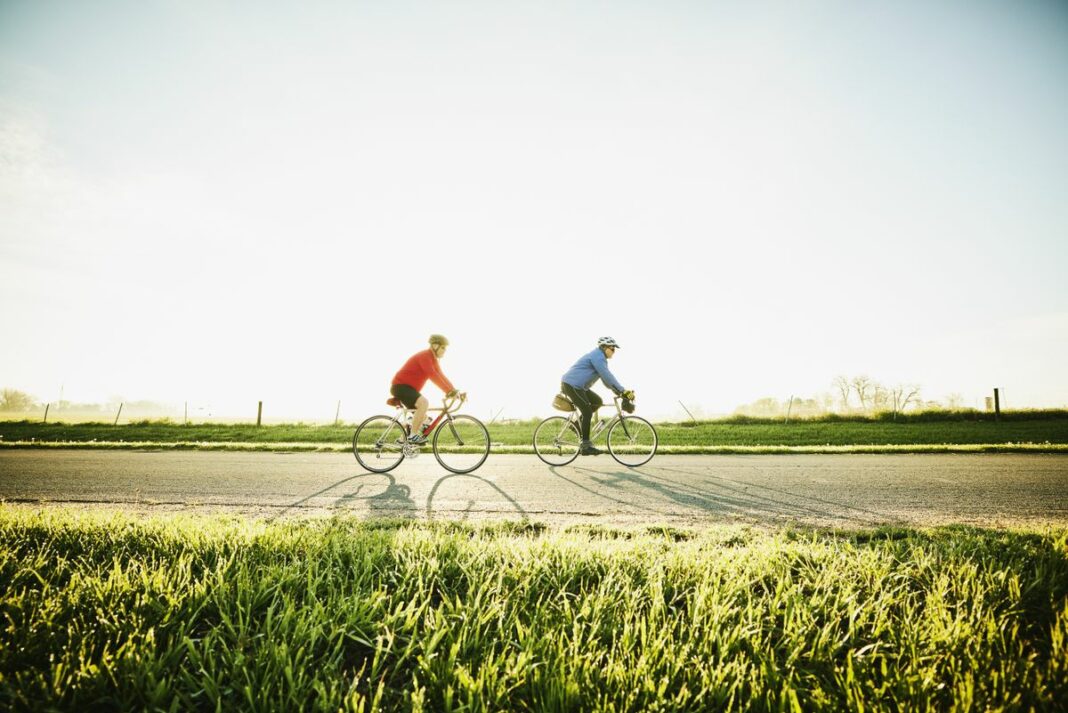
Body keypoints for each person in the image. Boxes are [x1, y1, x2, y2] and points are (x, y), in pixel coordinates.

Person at [560, 337, 635, 455]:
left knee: (597, 401)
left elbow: (606, 381)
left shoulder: (600, 358)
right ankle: (585, 446)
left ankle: (576, 425)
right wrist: (622, 390)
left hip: (579, 387)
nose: (614, 351)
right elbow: (607, 376)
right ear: (604, 347)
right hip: (571, 385)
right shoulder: (597, 357)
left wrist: (619, 392)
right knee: (587, 412)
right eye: (612, 348)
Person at [391, 334, 463, 444]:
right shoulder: (425, 356)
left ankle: (402, 440)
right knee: (424, 403)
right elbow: (432, 375)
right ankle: (412, 436)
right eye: (443, 348)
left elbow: (441, 375)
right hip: (401, 386)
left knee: (423, 417)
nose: (444, 351)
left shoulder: (433, 360)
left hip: (407, 389)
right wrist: (448, 391)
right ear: (435, 346)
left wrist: (454, 390)